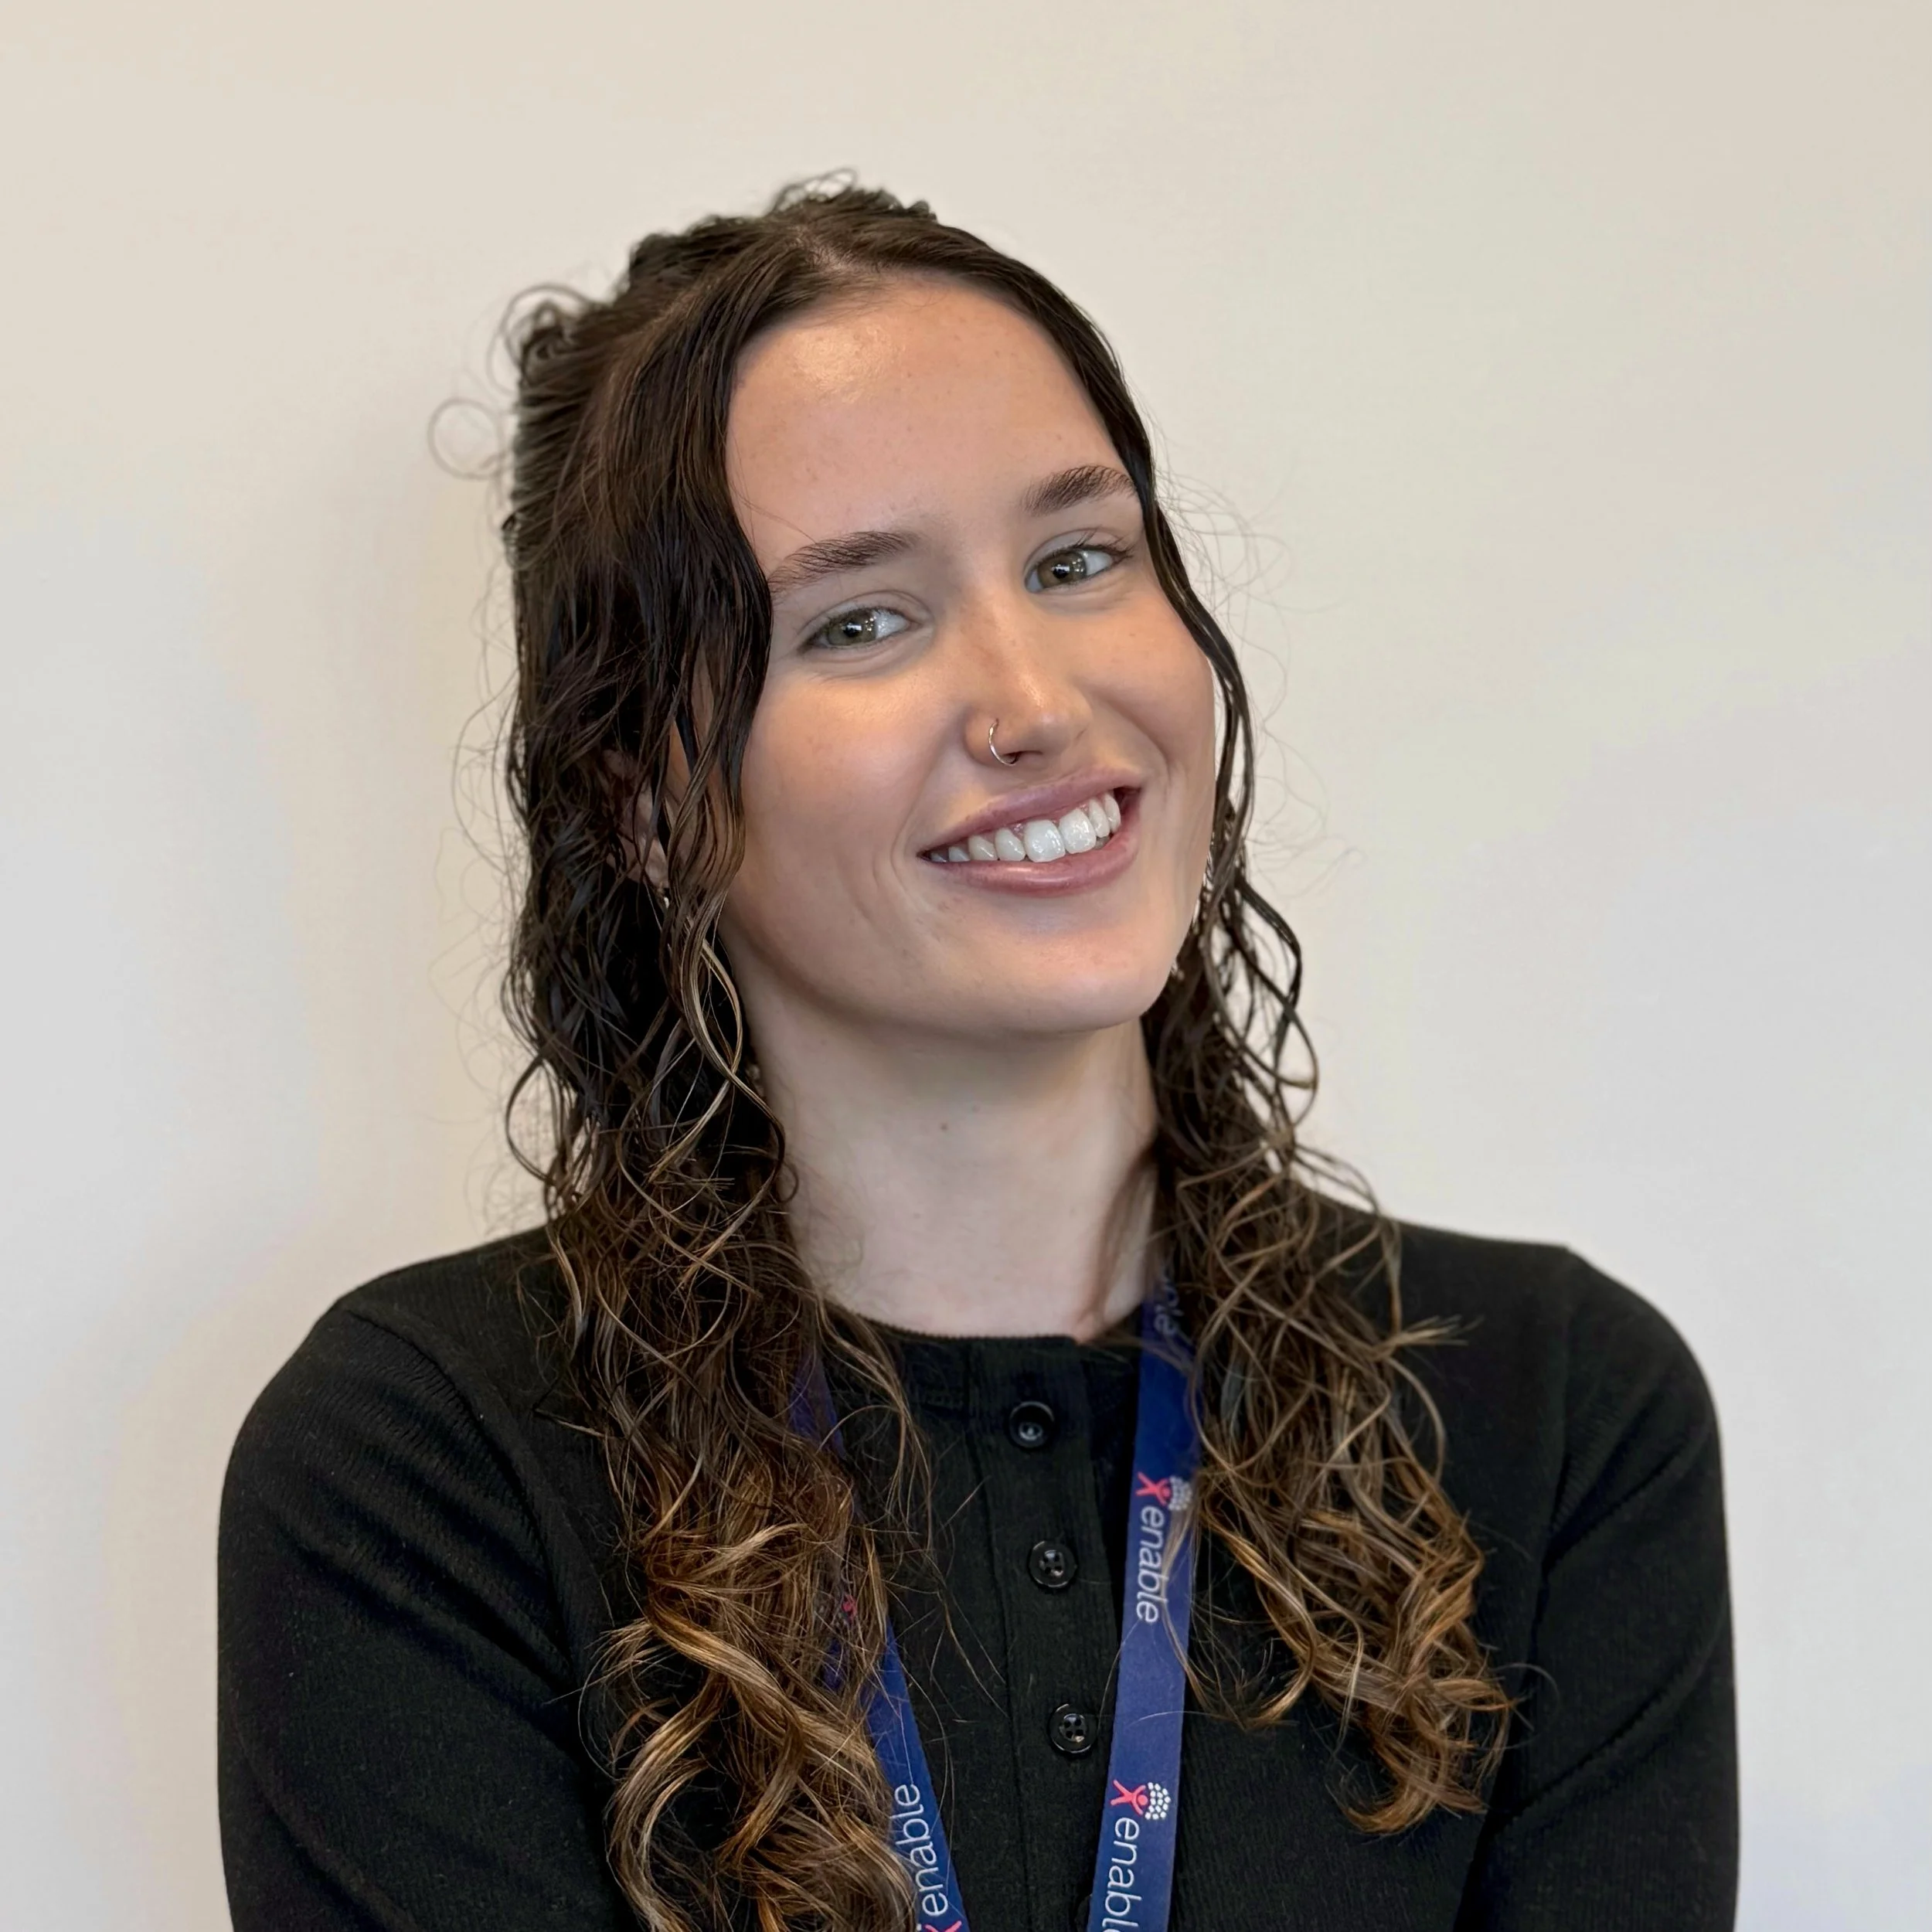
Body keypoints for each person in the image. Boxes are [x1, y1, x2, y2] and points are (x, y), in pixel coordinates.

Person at [217, 184, 1736, 1931]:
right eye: (859, 619)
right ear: (640, 798)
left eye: (1078, 559)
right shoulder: (429, 1461)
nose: (1029, 696)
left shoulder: (1545, 1418)